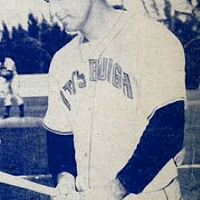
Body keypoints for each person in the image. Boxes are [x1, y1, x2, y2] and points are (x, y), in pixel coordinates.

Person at [43, 0, 185, 199]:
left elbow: (168, 130)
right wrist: (65, 180)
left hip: (148, 194)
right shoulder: (62, 60)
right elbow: (60, 136)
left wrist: (112, 191)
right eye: (48, 1)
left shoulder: (152, 38)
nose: (54, 11)